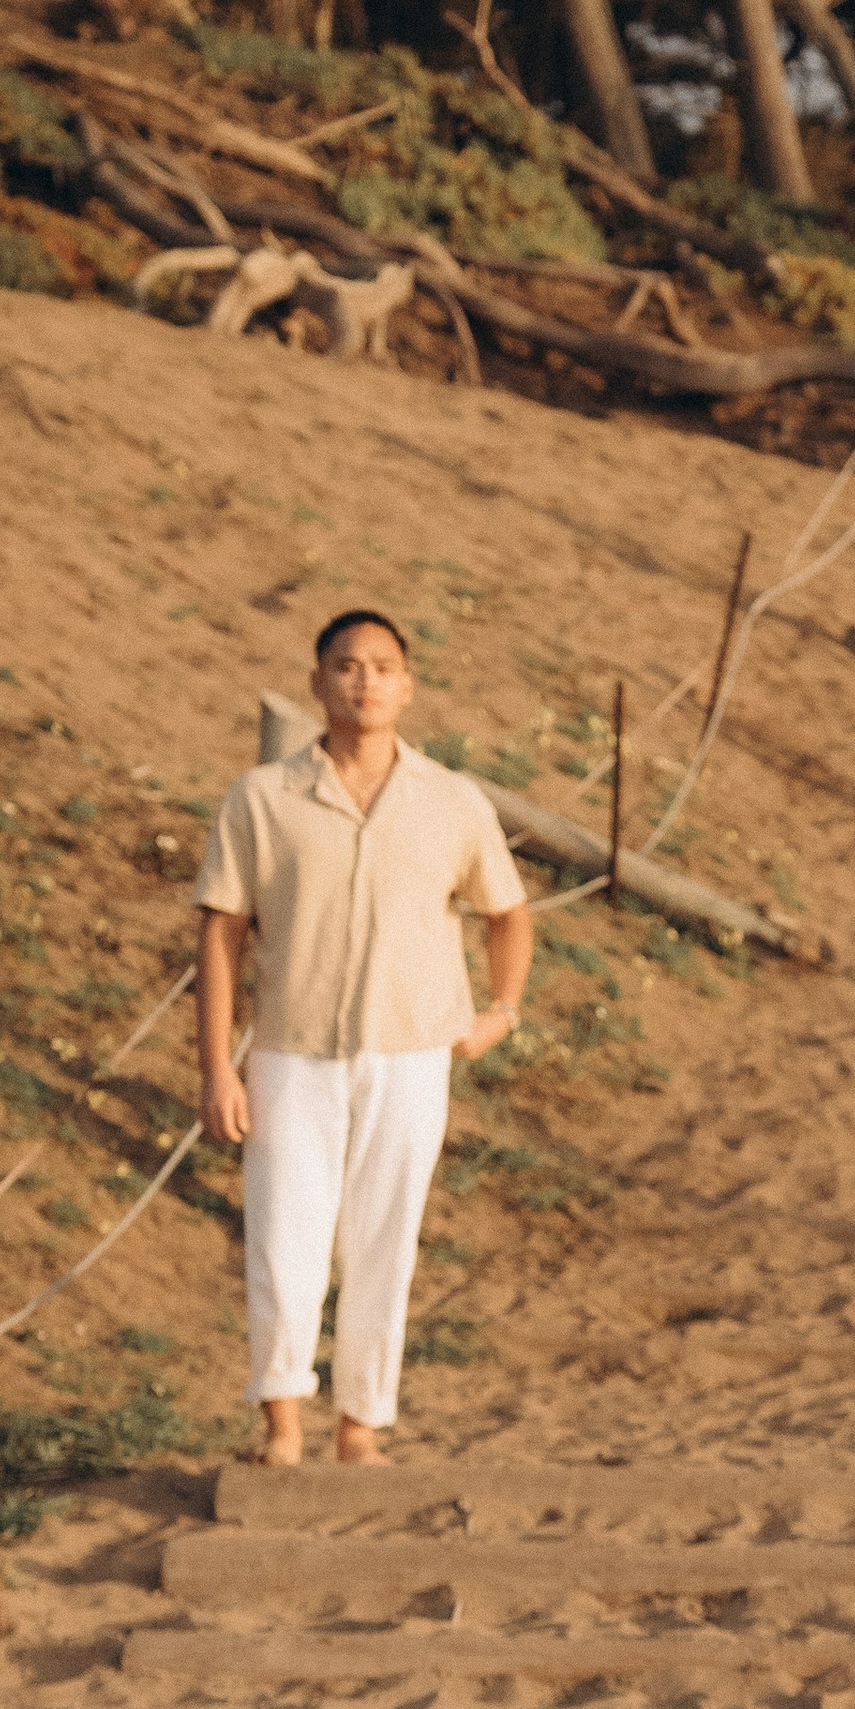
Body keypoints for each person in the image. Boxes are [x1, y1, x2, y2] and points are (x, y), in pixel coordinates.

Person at [194, 609, 534, 1465]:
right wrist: (215, 1068)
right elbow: (221, 933)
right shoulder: (261, 799)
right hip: (290, 1052)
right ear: (317, 683)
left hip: (412, 1053)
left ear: (408, 686)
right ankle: (281, 1425)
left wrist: (502, 1010)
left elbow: (509, 913)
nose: (366, 681)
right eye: (347, 665)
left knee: (387, 1238)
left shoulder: (453, 801)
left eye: (383, 667)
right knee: (283, 1235)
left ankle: (362, 1425)